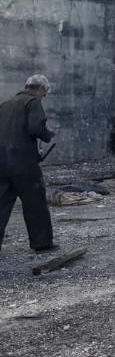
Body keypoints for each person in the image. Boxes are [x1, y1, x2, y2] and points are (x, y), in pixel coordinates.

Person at [0, 75, 58, 253]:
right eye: (44, 93)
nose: (43, 97)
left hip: (2, 163)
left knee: (1, 206)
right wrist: (48, 135)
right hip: (24, 164)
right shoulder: (32, 103)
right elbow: (35, 128)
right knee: (35, 204)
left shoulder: (5, 104)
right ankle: (42, 243)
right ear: (39, 89)